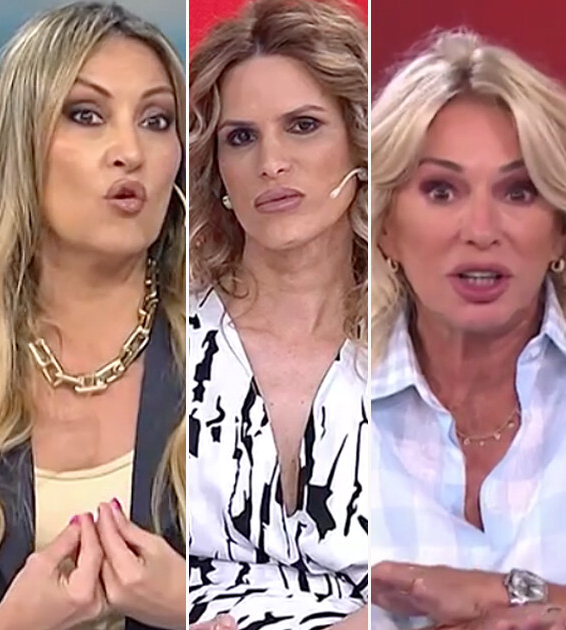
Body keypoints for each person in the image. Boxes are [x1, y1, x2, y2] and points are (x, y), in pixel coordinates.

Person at [367, 30, 566, 630]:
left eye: (518, 191)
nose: (480, 229)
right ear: (385, 226)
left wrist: (497, 595)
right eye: (441, 190)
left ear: (561, 229)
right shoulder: (324, 399)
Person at [0, 3, 187, 629]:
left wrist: (194, 607)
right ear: (22, 140)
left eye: (157, 120)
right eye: (86, 114)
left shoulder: (229, 349)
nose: (130, 151)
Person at [186, 0, 369, 628]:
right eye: (241, 137)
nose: (271, 163)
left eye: (303, 125)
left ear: (361, 142)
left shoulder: (426, 340)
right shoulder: (169, 334)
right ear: (217, 170)